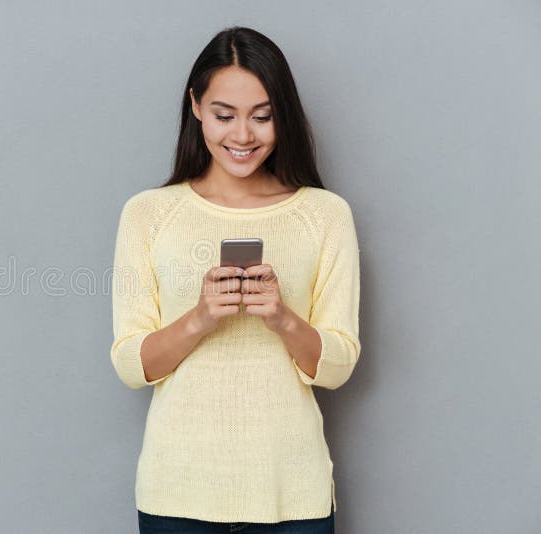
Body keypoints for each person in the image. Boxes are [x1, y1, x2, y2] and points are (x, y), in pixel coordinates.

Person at [110, 26, 360, 534]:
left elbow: (338, 367)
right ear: (196, 105)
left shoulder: (325, 215)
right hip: (177, 492)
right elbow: (130, 364)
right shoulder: (148, 215)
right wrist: (201, 317)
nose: (242, 136)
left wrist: (283, 318)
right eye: (224, 115)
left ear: (282, 115)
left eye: (262, 117)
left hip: (292, 492)